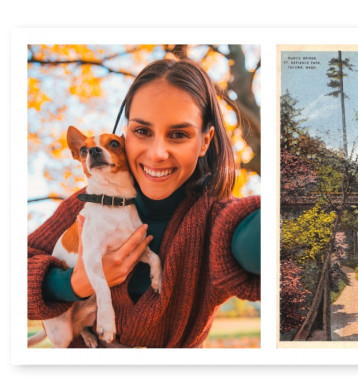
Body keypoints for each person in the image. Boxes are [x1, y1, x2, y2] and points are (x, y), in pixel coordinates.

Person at [27, 58, 260, 348]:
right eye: (142, 131)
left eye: (178, 134)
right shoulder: (83, 204)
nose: (156, 154)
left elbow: (254, 240)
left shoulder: (215, 219)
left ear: (204, 141)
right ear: (125, 135)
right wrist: (72, 284)